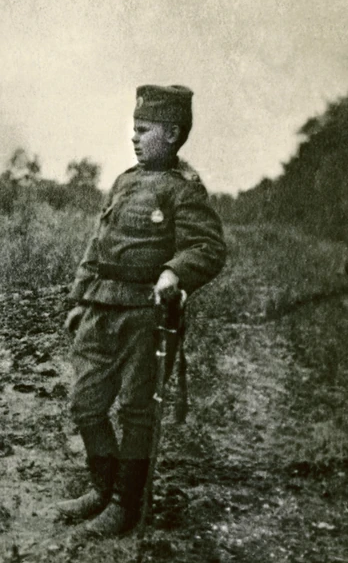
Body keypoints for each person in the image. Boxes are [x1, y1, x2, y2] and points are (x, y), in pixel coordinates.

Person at [58, 84, 226, 536]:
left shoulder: (183, 189)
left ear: (171, 134)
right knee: (85, 403)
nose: (134, 137)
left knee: (137, 411)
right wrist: (79, 301)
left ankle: (124, 504)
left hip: (146, 317)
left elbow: (208, 247)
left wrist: (174, 272)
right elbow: (96, 247)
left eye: (144, 129)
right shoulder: (123, 182)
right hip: (101, 309)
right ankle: (102, 486)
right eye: (134, 128)